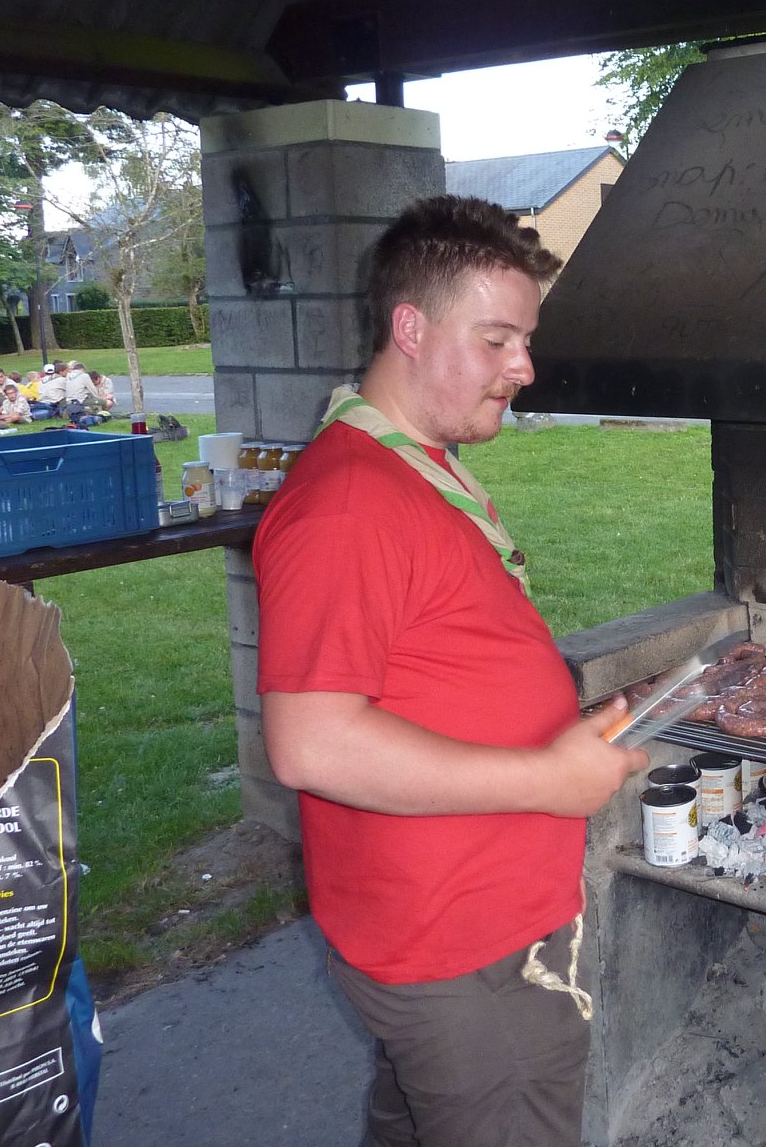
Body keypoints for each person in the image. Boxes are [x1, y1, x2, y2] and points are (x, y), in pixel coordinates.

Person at [253, 195, 649, 1147]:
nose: (525, 367)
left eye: (526, 340)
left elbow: (424, 669)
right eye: (499, 339)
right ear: (411, 327)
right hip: (461, 950)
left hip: (450, 928)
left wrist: (554, 724)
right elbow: (312, 742)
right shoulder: (351, 502)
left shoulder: (412, 465)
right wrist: (551, 779)